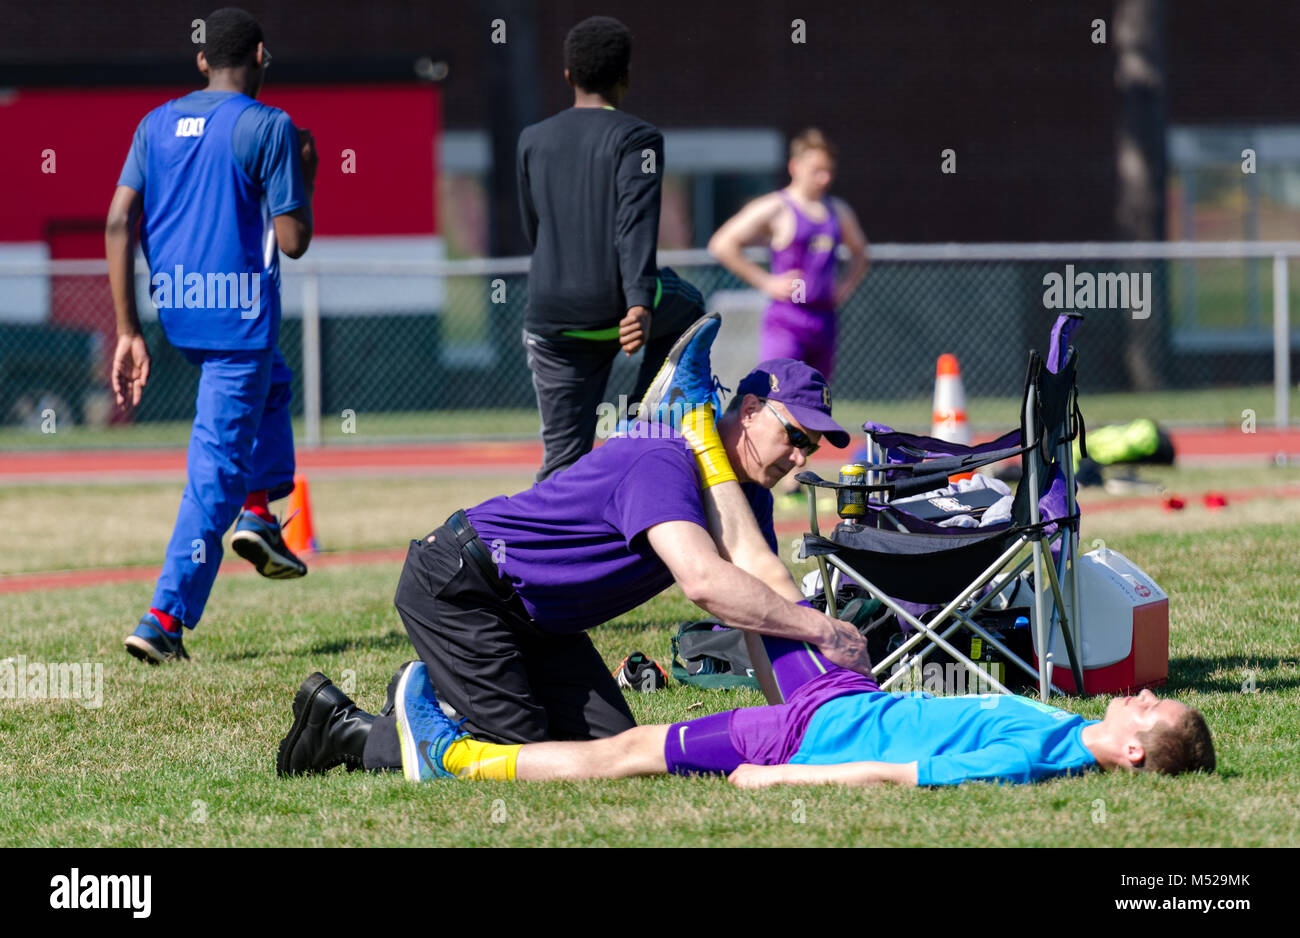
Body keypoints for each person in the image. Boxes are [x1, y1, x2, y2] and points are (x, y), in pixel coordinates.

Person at [275, 356, 870, 777]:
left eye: (810, 448)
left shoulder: (749, 501)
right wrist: (821, 628)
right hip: (464, 585)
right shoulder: (664, 459)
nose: (798, 456)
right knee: (525, 759)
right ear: (749, 410)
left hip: (541, 621)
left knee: (616, 753)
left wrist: (796, 720)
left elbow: (759, 614)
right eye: (794, 435)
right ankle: (346, 729)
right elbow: (705, 584)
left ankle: (447, 692)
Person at [280, 638, 1216, 786]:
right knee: (757, 590)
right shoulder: (1055, 725)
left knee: (627, 753)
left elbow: (895, 773)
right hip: (842, 697)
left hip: (804, 733)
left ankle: (447, 759)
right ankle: (702, 427)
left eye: (1149, 709)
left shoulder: (1036, 762)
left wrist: (779, 774)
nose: (1138, 693)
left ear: (1135, 754)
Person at [106, 7, 316, 663]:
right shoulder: (269, 126)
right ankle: (163, 618)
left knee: (273, 385)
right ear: (261, 55)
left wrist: (126, 331)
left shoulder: (154, 123)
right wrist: (304, 169)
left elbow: (118, 222)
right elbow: (294, 241)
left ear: (202, 60)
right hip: (239, 322)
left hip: (179, 314)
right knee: (213, 474)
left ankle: (259, 512)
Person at [518, 16, 704, 480]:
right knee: (693, 308)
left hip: (552, 320)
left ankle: (540, 545)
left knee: (561, 464)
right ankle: (639, 420)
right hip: (620, 311)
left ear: (567, 76)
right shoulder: (638, 138)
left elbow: (532, 228)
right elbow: (635, 223)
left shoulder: (531, 140)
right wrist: (640, 303)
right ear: (626, 77)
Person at [708, 128, 870, 381]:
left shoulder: (837, 211)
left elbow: (861, 253)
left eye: (829, 171)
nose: (824, 178)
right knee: (779, 394)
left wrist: (845, 287)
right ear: (795, 167)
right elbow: (722, 244)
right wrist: (765, 281)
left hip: (825, 319)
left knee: (816, 401)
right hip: (787, 320)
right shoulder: (776, 207)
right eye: (817, 170)